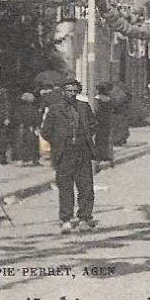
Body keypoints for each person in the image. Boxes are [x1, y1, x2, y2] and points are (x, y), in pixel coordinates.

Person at [40, 76, 97, 234]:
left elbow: (93, 124)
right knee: (65, 187)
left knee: (85, 186)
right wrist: (59, 141)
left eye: (74, 91)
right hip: (64, 152)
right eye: (69, 91)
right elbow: (46, 131)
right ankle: (66, 219)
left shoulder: (83, 107)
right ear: (63, 92)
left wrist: (83, 137)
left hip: (82, 150)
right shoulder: (55, 109)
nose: (72, 94)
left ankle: (85, 217)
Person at [13, 93, 41, 166]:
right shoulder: (34, 108)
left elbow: (16, 118)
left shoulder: (19, 108)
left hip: (22, 127)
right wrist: (37, 126)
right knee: (32, 143)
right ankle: (32, 159)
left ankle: (21, 159)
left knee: (21, 143)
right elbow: (37, 118)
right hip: (31, 127)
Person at [94, 83, 115, 171]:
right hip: (106, 122)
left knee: (99, 139)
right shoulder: (108, 100)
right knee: (106, 139)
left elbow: (95, 111)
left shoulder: (96, 100)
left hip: (98, 122)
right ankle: (106, 156)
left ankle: (99, 156)